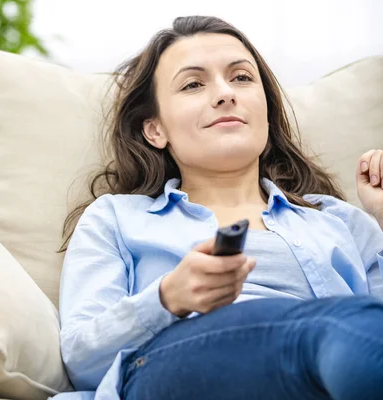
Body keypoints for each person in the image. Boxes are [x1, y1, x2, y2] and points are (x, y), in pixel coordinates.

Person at [52, 15, 383, 400]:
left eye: (241, 78)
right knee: (339, 331)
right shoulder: (116, 218)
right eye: (193, 84)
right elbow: (80, 358)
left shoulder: (340, 220)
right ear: (155, 129)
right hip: (174, 368)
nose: (226, 94)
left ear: (266, 109)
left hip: (333, 367)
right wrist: (167, 299)